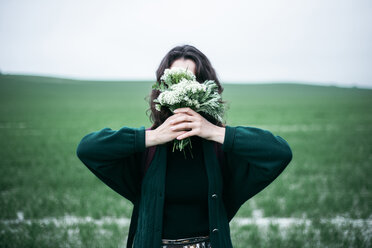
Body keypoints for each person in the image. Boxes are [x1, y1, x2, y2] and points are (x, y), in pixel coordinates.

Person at [76, 44, 293, 248]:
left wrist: (215, 131)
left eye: (192, 80)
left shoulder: (217, 148)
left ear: (206, 88)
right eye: (175, 80)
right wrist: (151, 137)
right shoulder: (148, 149)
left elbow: (280, 153)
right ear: (163, 88)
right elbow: (87, 149)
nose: (184, 88)